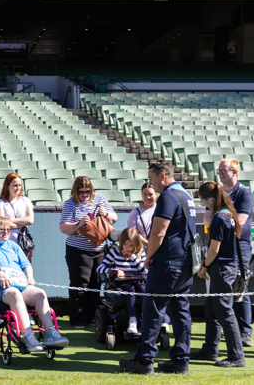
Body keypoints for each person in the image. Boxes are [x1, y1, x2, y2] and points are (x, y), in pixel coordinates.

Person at [121, 160, 194, 375]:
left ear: (162, 176)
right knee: (181, 311)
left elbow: (158, 233)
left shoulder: (168, 197)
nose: (152, 184)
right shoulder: (186, 196)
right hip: (184, 263)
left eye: (152, 179)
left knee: (152, 310)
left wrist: (148, 256)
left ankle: (144, 360)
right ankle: (180, 361)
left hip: (167, 264)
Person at [0, 216, 69, 352]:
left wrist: (30, 277)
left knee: (40, 293)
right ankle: (28, 336)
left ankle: (51, 333)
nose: (6, 232)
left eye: (8, 229)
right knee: (14, 294)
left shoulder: (14, 246)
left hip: (18, 284)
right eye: (2, 229)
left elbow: (26, 265)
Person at [190, 182, 246, 368]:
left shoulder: (220, 218)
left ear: (211, 199)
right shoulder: (228, 215)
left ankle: (236, 356)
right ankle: (210, 350)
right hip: (225, 267)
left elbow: (214, 249)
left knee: (224, 311)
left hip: (221, 268)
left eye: (203, 201)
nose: (203, 204)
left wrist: (204, 266)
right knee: (212, 310)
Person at [59, 175, 117, 330]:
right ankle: (77, 318)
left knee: (96, 283)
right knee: (80, 283)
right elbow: (64, 227)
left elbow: (114, 218)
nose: (85, 195)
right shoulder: (70, 204)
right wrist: (79, 224)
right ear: (75, 191)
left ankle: (92, 317)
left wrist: (105, 214)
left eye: (87, 191)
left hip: (99, 249)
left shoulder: (100, 199)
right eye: (81, 192)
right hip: (78, 249)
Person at [217, 158, 254, 346]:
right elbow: (209, 221)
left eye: (225, 170)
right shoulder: (220, 193)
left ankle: (246, 331)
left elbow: (239, 222)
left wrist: (221, 218)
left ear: (235, 172)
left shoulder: (244, 193)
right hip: (223, 244)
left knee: (241, 285)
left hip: (240, 246)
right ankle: (231, 327)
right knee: (225, 285)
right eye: (219, 170)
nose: (221, 173)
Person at [97, 228, 147, 335]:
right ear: (121, 243)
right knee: (130, 289)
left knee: (143, 289)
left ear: (136, 244)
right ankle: (132, 320)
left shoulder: (140, 252)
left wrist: (133, 257)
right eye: (125, 245)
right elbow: (100, 268)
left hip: (138, 282)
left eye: (131, 246)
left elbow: (145, 271)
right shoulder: (115, 252)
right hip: (121, 284)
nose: (128, 248)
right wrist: (114, 271)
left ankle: (145, 319)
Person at [0, 173, 35, 256]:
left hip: (23, 243)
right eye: (15, 185)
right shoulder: (1, 202)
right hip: (7, 243)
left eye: (19, 185)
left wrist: (11, 221)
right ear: (7, 186)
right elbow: (2, 224)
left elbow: (30, 220)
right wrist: (22, 224)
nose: (18, 188)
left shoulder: (25, 200)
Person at [128, 183, 158, 249]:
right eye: (145, 194)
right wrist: (148, 244)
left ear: (156, 194)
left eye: (150, 194)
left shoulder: (162, 209)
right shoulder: (135, 212)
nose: (148, 197)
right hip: (142, 251)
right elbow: (133, 233)